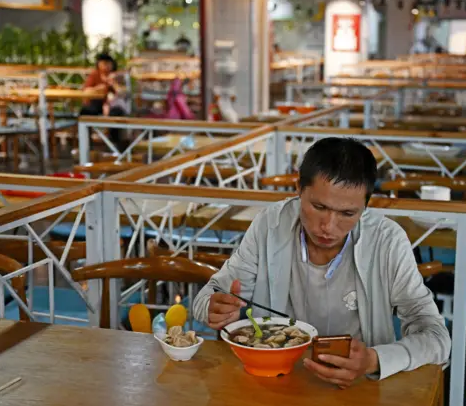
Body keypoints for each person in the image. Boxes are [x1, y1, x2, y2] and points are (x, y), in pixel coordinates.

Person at [193, 138, 450, 388]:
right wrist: (215, 307)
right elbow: (209, 297)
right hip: (276, 382)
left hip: (359, 388)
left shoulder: (387, 241)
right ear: (298, 189)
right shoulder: (271, 225)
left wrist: (374, 360)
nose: (328, 227)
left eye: (347, 214)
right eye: (318, 206)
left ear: (365, 207)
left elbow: (437, 338)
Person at [80, 53, 127, 147]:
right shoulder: (94, 75)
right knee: (85, 112)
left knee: (116, 114)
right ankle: (86, 144)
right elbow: (86, 90)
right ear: (98, 64)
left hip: (113, 105)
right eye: (104, 63)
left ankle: (114, 146)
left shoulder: (118, 76)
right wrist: (98, 88)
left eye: (109, 63)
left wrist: (114, 83)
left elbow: (123, 93)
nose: (106, 66)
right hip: (96, 103)